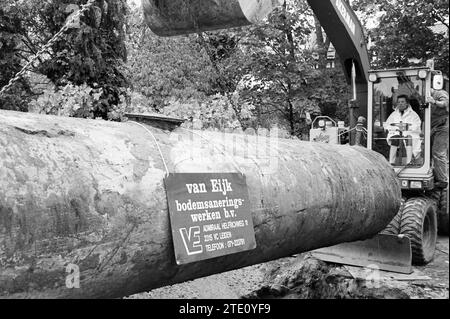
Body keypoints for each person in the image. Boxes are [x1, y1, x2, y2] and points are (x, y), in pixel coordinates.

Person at [384, 95, 422, 165]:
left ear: (407, 103)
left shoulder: (413, 115)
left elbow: (417, 126)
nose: (400, 103)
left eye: (402, 102)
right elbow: (387, 125)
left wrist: (407, 128)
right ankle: (391, 162)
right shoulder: (393, 114)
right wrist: (396, 128)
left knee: (409, 138)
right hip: (396, 133)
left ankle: (409, 162)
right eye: (398, 102)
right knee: (395, 138)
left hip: (410, 134)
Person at [426, 88, 449, 189]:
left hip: (442, 127)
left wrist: (434, 101)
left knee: (438, 153)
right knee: (427, 152)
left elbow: (445, 103)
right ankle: (433, 173)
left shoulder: (440, 93)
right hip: (432, 127)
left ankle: (442, 180)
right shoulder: (425, 96)